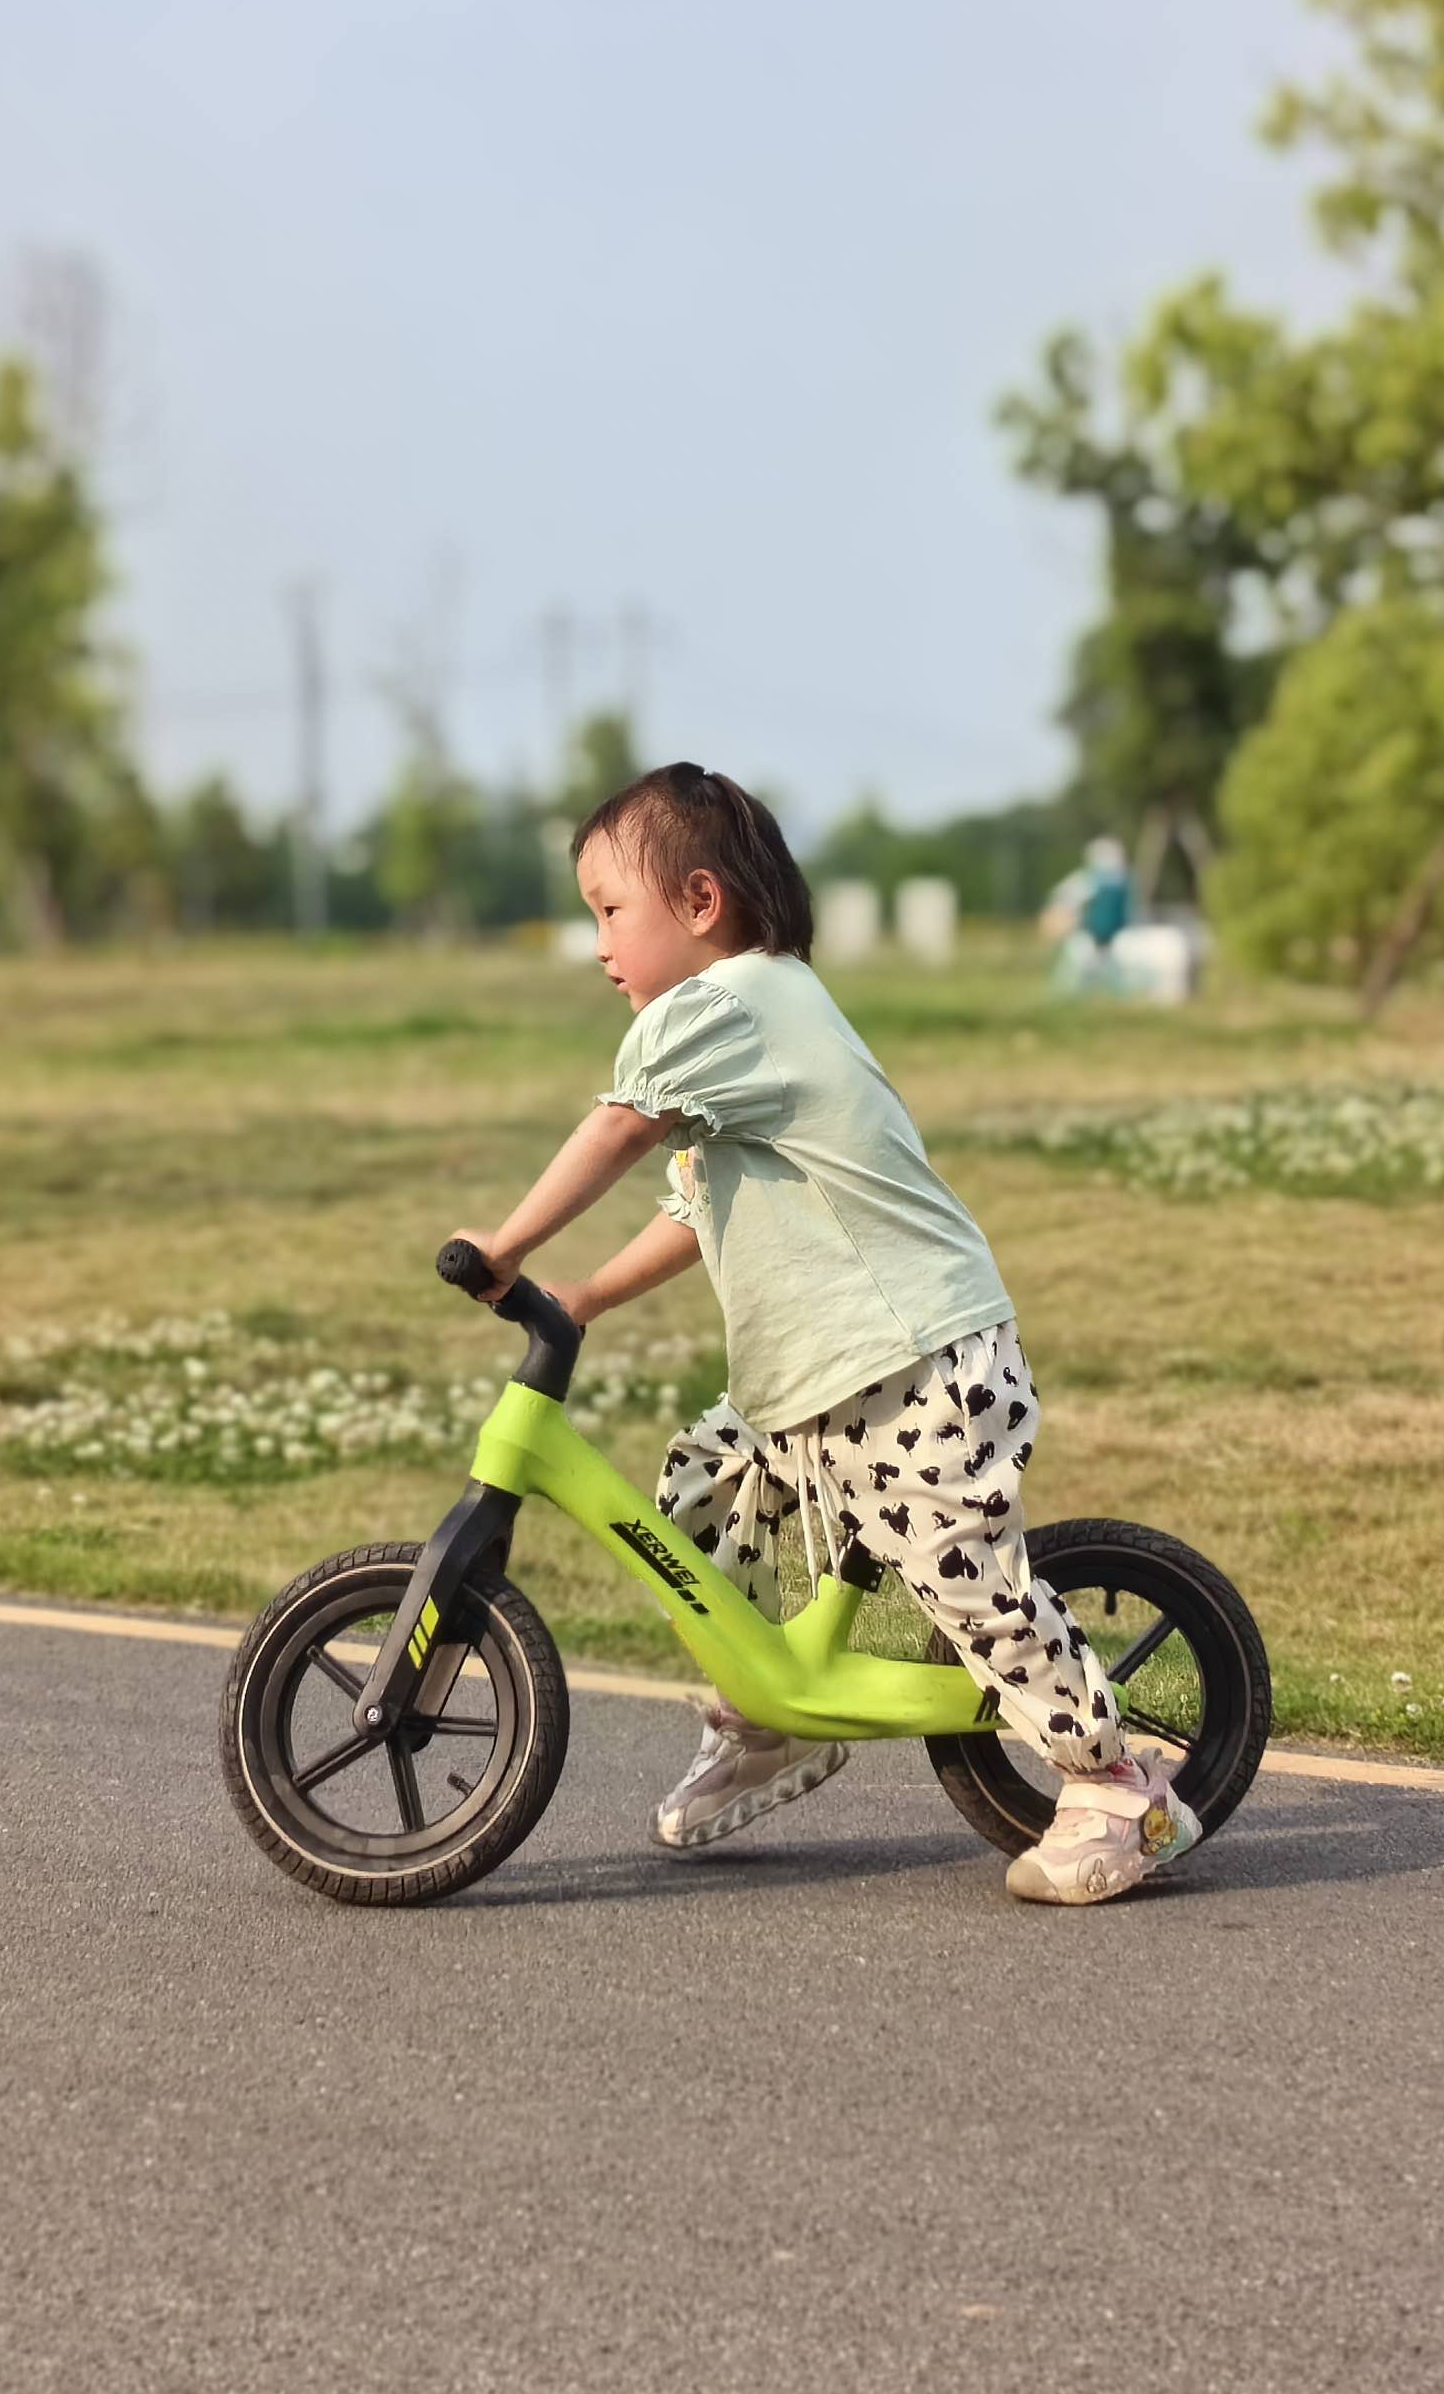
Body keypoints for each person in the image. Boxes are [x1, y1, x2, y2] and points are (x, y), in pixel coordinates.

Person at [446, 762, 1197, 1906]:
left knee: (966, 1584)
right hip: (809, 1386)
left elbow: (620, 1133)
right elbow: (696, 1203)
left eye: (609, 910)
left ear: (699, 904)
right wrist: (582, 1294)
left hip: (912, 1366)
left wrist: (503, 1244)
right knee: (694, 1499)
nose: (597, 943)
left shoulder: (732, 1005)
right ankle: (768, 1712)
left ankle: (1114, 1788)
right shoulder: (740, 1028)